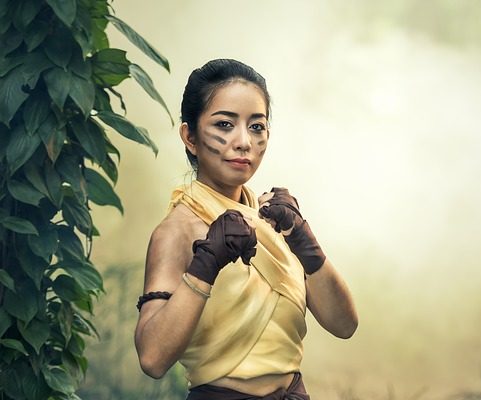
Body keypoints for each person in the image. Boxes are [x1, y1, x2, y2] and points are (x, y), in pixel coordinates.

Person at [134, 59, 358, 399]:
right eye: (224, 125)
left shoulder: (271, 221)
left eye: (256, 127)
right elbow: (152, 358)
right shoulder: (177, 231)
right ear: (190, 137)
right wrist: (206, 263)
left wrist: (303, 239)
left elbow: (344, 325)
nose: (243, 142)